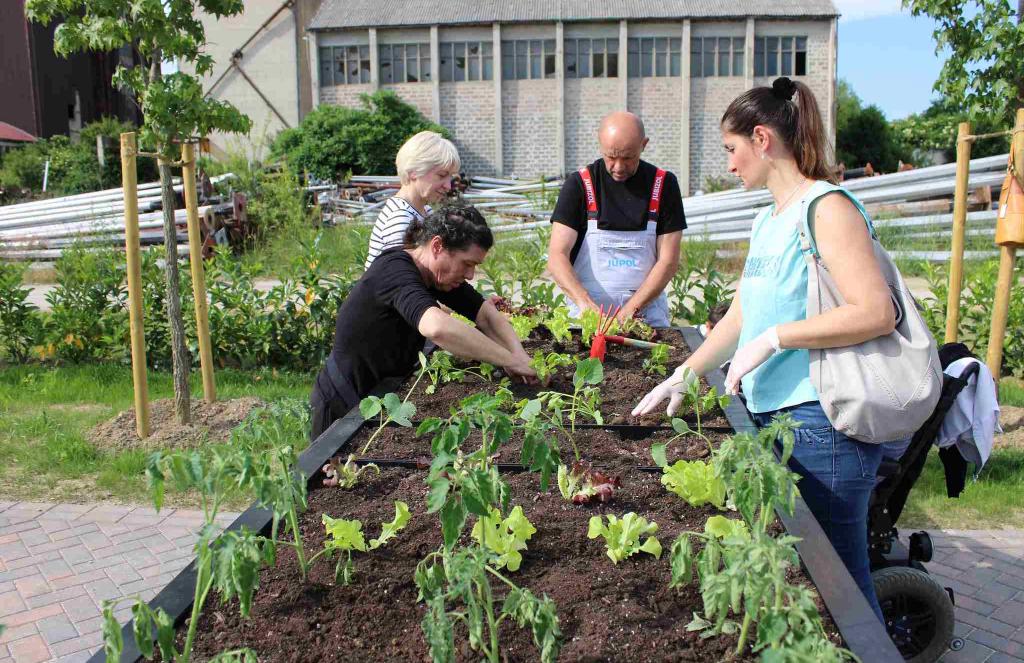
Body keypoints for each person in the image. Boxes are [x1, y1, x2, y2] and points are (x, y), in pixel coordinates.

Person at [632, 77, 898, 624]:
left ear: (761, 139)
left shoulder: (826, 209)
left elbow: (876, 311)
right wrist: (685, 373)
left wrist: (779, 337)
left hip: (822, 427)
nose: (729, 165)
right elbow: (740, 317)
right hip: (773, 419)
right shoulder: (767, 219)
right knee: (812, 586)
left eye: (731, 150)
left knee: (841, 596)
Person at [312, 204, 536, 440]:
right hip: (343, 404)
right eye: (467, 263)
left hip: (379, 398)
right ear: (437, 246)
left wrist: (520, 357)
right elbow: (437, 327)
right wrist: (507, 359)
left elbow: (486, 314)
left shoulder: (437, 276)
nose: (470, 275)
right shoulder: (395, 270)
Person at [547, 111, 685, 327]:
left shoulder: (663, 184)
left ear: (644, 144)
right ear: (600, 143)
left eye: (628, 158)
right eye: (611, 156)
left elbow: (668, 261)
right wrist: (584, 304)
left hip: (645, 317)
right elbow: (557, 255)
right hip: (585, 319)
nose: (618, 167)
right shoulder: (580, 185)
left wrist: (631, 311)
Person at [365, 131, 460, 268]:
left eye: (450, 177)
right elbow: (401, 278)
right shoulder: (400, 218)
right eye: (441, 175)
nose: (448, 186)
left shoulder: (425, 210)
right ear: (413, 172)